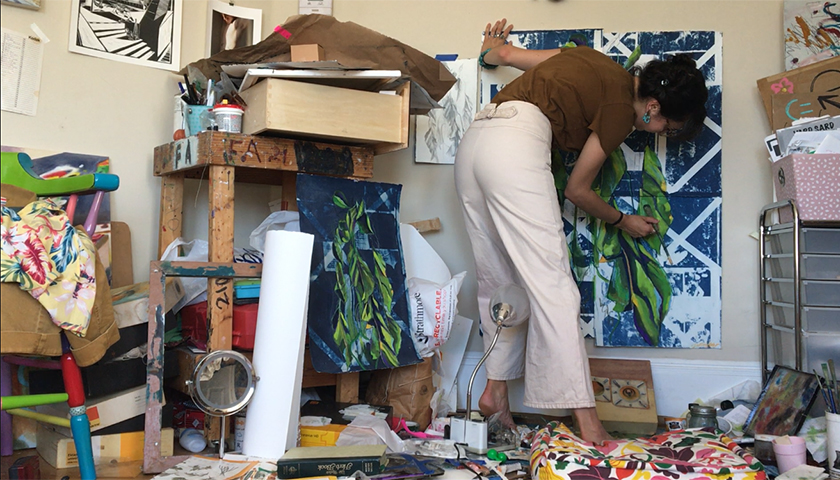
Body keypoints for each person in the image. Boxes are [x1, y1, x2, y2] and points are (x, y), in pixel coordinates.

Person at [454, 18, 708, 444]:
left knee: (501, 282)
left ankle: (494, 394)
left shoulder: (591, 59)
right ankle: (588, 422)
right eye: (670, 125)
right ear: (655, 107)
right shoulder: (619, 113)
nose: (663, 131)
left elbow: (505, 56)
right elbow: (578, 190)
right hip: (514, 146)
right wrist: (623, 220)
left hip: (475, 141)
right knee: (554, 285)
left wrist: (489, 51)